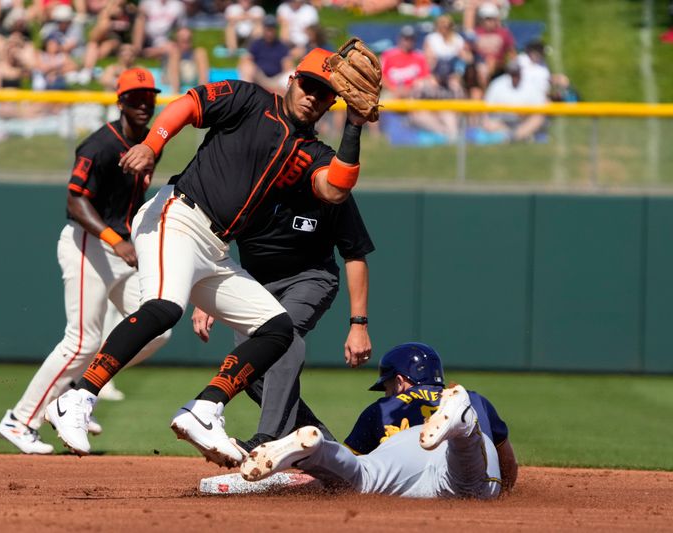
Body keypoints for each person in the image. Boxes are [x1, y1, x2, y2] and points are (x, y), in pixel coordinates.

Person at [45, 47, 372, 467]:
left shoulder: (314, 151)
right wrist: (151, 143)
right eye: (309, 85)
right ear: (292, 81)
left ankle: (204, 409)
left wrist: (355, 126)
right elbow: (189, 103)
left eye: (326, 94)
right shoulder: (250, 99)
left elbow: (335, 189)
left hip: (215, 248)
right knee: (164, 308)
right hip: (177, 216)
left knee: (277, 330)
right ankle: (77, 397)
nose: (314, 96)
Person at [0, 68, 170, 454]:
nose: (143, 103)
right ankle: (20, 420)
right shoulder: (101, 145)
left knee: (157, 328)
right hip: (88, 244)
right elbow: (74, 202)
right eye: (135, 97)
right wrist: (114, 239)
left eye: (148, 96)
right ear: (120, 101)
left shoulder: (148, 144)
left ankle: (75, 392)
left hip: (121, 249)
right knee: (82, 341)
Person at [191, 189, 374, 451]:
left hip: (310, 277)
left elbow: (354, 253)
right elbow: (213, 239)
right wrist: (206, 297)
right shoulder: (252, 182)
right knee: (251, 370)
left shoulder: (329, 185)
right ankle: (330, 451)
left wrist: (359, 324)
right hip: (253, 283)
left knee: (283, 335)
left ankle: (269, 439)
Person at [240, 342, 519, 500]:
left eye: (386, 385)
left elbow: (342, 473)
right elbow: (508, 463)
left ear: (399, 382)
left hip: (402, 449)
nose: (387, 391)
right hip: (456, 453)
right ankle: (464, 426)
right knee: (470, 486)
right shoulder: (475, 397)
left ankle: (316, 449)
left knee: (363, 476)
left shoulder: (383, 407)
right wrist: (505, 491)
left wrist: (310, 474)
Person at [483, 59, 547, 142]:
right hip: (502, 121)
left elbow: (541, 106)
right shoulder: (497, 84)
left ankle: (515, 136)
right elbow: (487, 107)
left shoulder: (530, 84)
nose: (515, 76)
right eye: (512, 73)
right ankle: (516, 136)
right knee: (488, 122)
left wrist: (526, 112)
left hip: (523, 121)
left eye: (516, 73)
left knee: (538, 118)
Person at [237, 14, 293, 95]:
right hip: (260, 78)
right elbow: (246, 59)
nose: (269, 33)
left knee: (291, 74)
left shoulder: (282, 45)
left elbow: (288, 65)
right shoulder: (256, 43)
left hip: (277, 79)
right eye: (268, 29)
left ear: (275, 30)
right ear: (263, 29)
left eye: (272, 30)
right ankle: (244, 95)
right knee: (247, 67)